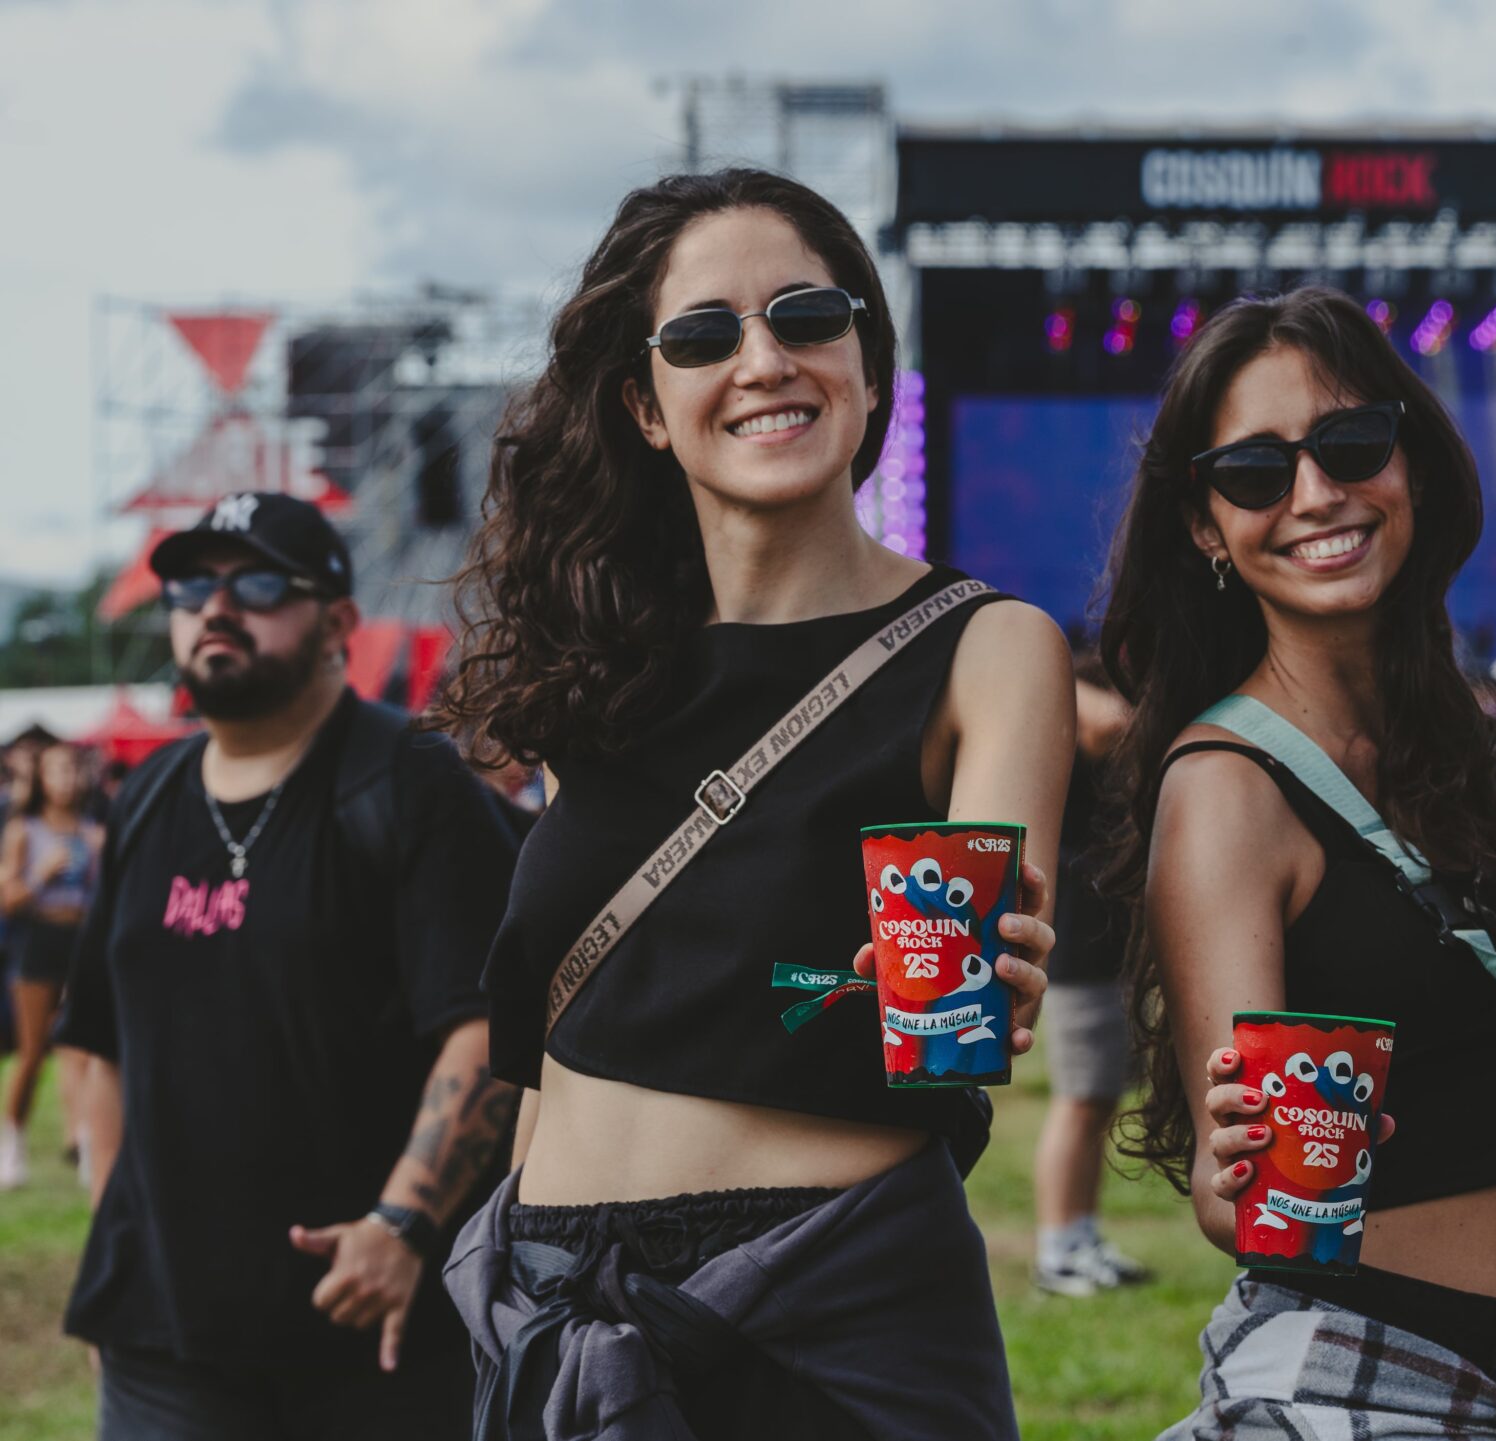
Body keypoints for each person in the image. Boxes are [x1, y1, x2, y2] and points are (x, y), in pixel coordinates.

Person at [434, 168, 1070, 1439]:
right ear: (645, 405)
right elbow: (556, 1043)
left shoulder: (988, 645)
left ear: (869, 368)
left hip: (824, 1306)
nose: (765, 360)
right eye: (703, 336)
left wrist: (994, 976)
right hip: (555, 1301)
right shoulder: (594, 670)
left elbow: (960, 1005)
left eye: (807, 316)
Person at [1099, 287, 1496, 1438]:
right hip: (1363, 1381)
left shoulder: (1442, 743)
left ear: (1410, 462)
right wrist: (1235, 1167)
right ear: (1204, 525)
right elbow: (1239, 1193)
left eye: (1350, 443)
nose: (1314, 493)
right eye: (1254, 471)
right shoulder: (1227, 786)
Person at [53, 491, 525, 1438]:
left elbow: (490, 1026)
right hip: (163, 1353)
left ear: (338, 622)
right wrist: (122, 1250)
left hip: (369, 1338)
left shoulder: (410, 779)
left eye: (261, 584)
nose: (217, 608)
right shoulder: (146, 798)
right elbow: (96, 1044)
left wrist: (403, 1225)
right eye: (192, 587)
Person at [1031, 651, 1151, 1296]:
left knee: (1097, 1102)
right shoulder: (1071, 733)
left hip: (1110, 956)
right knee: (1079, 1103)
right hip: (1079, 953)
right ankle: (1057, 1251)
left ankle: (1082, 1238)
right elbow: (1105, 716)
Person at [0, 741, 103, 1188]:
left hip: (80, 941)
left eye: (72, 770)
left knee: (84, 1049)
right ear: (41, 778)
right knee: (33, 1053)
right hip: (38, 943)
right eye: (57, 770)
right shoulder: (24, 830)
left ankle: (85, 1143)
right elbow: (8, 899)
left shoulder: (91, 831)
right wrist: (42, 872)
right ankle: (11, 1144)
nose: (66, 779)